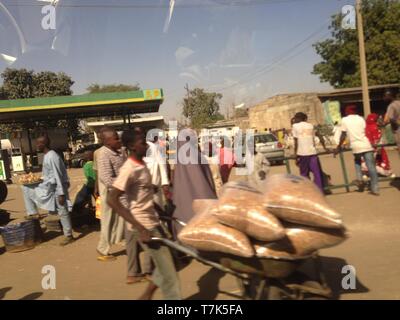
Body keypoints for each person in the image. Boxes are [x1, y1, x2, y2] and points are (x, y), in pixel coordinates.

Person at [107, 129, 182, 300]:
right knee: (169, 273)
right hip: (142, 225)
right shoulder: (130, 168)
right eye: (142, 142)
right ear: (132, 146)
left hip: (153, 221)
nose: (146, 145)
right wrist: (140, 228)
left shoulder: (143, 164)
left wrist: (163, 213)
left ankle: (146, 296)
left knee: (173, 262)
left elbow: (144, 196)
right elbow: (112, 200)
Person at [22, 135, 74, 246]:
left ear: (43, 144)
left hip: (57, 188)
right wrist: (39, 179)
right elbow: (48, 175)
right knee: (26, 187)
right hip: (49, 186)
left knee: (62, 210)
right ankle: (32, 212)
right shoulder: (46, 156)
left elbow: (58, 175)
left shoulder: (52, 156)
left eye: (38, 143)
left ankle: (69, 235)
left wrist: (61, 194)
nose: (36, 145)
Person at [172, 129, 217, 235]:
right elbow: (202, 182)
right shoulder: (194, 155)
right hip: (200, 203)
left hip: (181, 203)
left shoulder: (179, 158)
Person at [96, 127, 126, 261]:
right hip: (111, 193)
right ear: (107, 141)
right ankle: (103, 249)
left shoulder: (120, 151)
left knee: (122, 220)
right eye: (116, 138)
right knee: (108, 221)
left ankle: (126, 240)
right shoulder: (103, 154)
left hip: (121, 191)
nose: (118, 140)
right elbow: (106, 178)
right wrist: (123, 186)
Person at [335, 105, 379, 195]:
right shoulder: (361, 118)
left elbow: (343, 134)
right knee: (371, 167)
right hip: (366, 144)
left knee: (357, 161)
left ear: (347, 111)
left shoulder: (345, 120)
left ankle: (360, 181)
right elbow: (364, 131)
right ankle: (375, 189)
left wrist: (339, 146)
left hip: (356, 146)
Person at [292, 112, 327, 193]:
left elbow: (296, 141)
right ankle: (319, 191)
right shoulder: (310, 125)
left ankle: (308, 191)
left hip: (302, 153)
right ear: (305, 119)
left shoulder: (295, 126)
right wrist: (325, 147)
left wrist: (295, 153)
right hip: (312, 152)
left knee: (304, 174)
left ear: (297, 118)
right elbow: (319, 136)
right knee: (317, 173)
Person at [363, 113, 393, 178]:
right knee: (379, 159)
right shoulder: (374, 127)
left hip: (366, 147)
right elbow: (376, 139)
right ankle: (385, 172)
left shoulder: (365, 126)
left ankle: (367, 173)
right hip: (375, 147)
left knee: (367, 161)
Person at [383, 90, 400, 155]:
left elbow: (390, 119)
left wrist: (384, 123)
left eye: (385, 96)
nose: (384, 98)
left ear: (390, 96)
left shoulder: (391, 106)